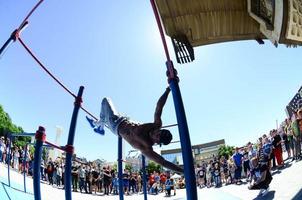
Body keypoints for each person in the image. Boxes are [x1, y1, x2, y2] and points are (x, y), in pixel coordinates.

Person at [86, 87, 183, 173]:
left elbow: (163, 162)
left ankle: (99, 125)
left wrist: (182, 171)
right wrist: (168, 90)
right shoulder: (156, 125)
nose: (156, 132)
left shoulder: (146, 147)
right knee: (106, 106)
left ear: (157, 142)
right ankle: (99, 125)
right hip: (122, 118)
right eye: (159, 131)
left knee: (105, 100)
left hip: (115, 125)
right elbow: (159, 107)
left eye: (157, 136)